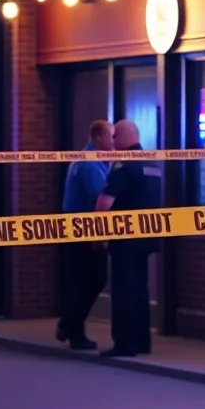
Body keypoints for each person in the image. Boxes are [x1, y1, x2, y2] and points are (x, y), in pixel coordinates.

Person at [95, 119, 162, 358]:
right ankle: (142, 341)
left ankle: (124, 343)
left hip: (124, 237)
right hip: (148, 236)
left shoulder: (124, 165)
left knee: (124, 290)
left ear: (124, 137)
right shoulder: (152, 162)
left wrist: (97, 233)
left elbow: (105, 202)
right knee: (140, 289)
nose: (112, 142)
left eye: (114, 137)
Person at [56, 119, 113, 350]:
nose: (114, 141)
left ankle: (70, 326)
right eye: (111, 136)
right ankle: (71, 327)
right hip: (84, 229)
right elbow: (99, 197)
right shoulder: (90, 164)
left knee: (84, 280)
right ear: (98, 137)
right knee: (91, 279)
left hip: (80, 228)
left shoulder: (92, 160)